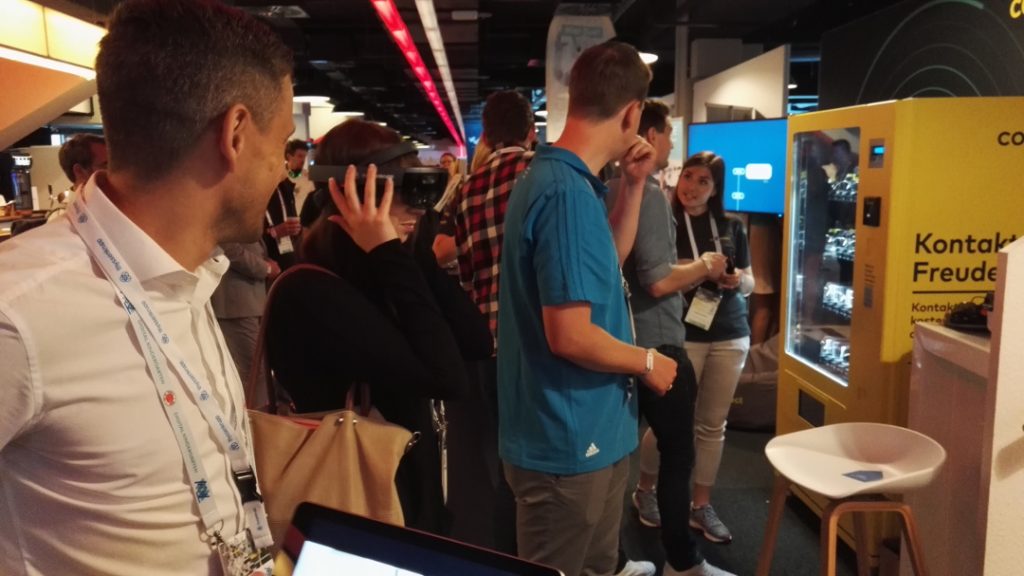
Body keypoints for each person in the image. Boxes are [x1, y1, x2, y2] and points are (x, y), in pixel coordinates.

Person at [0, 0, 294, 573]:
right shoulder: (20, 311)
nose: (283, 168)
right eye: (281, 145)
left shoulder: (192, 276)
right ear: (235, 133)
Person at [497, 41, 676, 576]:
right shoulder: (565, 193)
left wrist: (634, 186)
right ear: (632, 114)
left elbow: (603, 265)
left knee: (599, 563)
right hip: (567, 441)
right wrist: (646, 361)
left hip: (589, 433)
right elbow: (569, 335)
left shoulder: (566, 180)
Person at [265, 118, 492, 536]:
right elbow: (448, 377)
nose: (415, 208)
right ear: (349, 195)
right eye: (395, 190)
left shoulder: (386, 272)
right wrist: (389, 252)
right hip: (354, 509)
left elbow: (476, 340)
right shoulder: (312, 293)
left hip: (408, 497)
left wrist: (409, 254)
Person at [608, 102, 734, 576]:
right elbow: (658, 280)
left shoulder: (603, 189)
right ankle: (682, 561)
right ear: (651, 134)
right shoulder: (650, 196)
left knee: (615, 459)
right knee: (679, 453)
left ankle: (613, 558)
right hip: (658, 343)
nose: (673, 145)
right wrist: (703, 266)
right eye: (669, 135)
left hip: (616, 342)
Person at [446, 90, 535, 554]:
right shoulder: (542, 175)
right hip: (536, 344)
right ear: (531, 132)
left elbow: (465, 274)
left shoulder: (466, 189)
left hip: (487, 342)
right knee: (539, 465)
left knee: (501, 460)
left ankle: (504, 552)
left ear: (485, 136)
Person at [670, 151, 754, 544]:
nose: (691, 187)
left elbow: (751, 281)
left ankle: (701, 505)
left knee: (712, 425)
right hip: (681, 333)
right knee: (671, 420)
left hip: (730, 332)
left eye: (703, 181)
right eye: (688, 176)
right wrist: (699, 269)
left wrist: (737, 280)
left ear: (716, 188)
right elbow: (653, 277)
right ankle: (645, 490)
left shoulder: (732, 225)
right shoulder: (665, 220)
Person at [211, 241, 279, 407]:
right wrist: (266, 268)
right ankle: (257, 420)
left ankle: (259, 417)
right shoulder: (226, 223)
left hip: (250, 302)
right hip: (236, 304)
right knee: (254, 372)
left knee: (258, 372)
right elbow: (228, 247)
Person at [49, 133, 107, 220]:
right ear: (79, 171)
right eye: (105, 165)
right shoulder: (64, 218)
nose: (114, 172)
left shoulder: (106, 206)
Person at [284, 138, 316, 215]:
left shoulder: (309, 178)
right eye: (300, 156)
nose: (303, 160)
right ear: (289, 157)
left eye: (305, 156)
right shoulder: (278, 178)